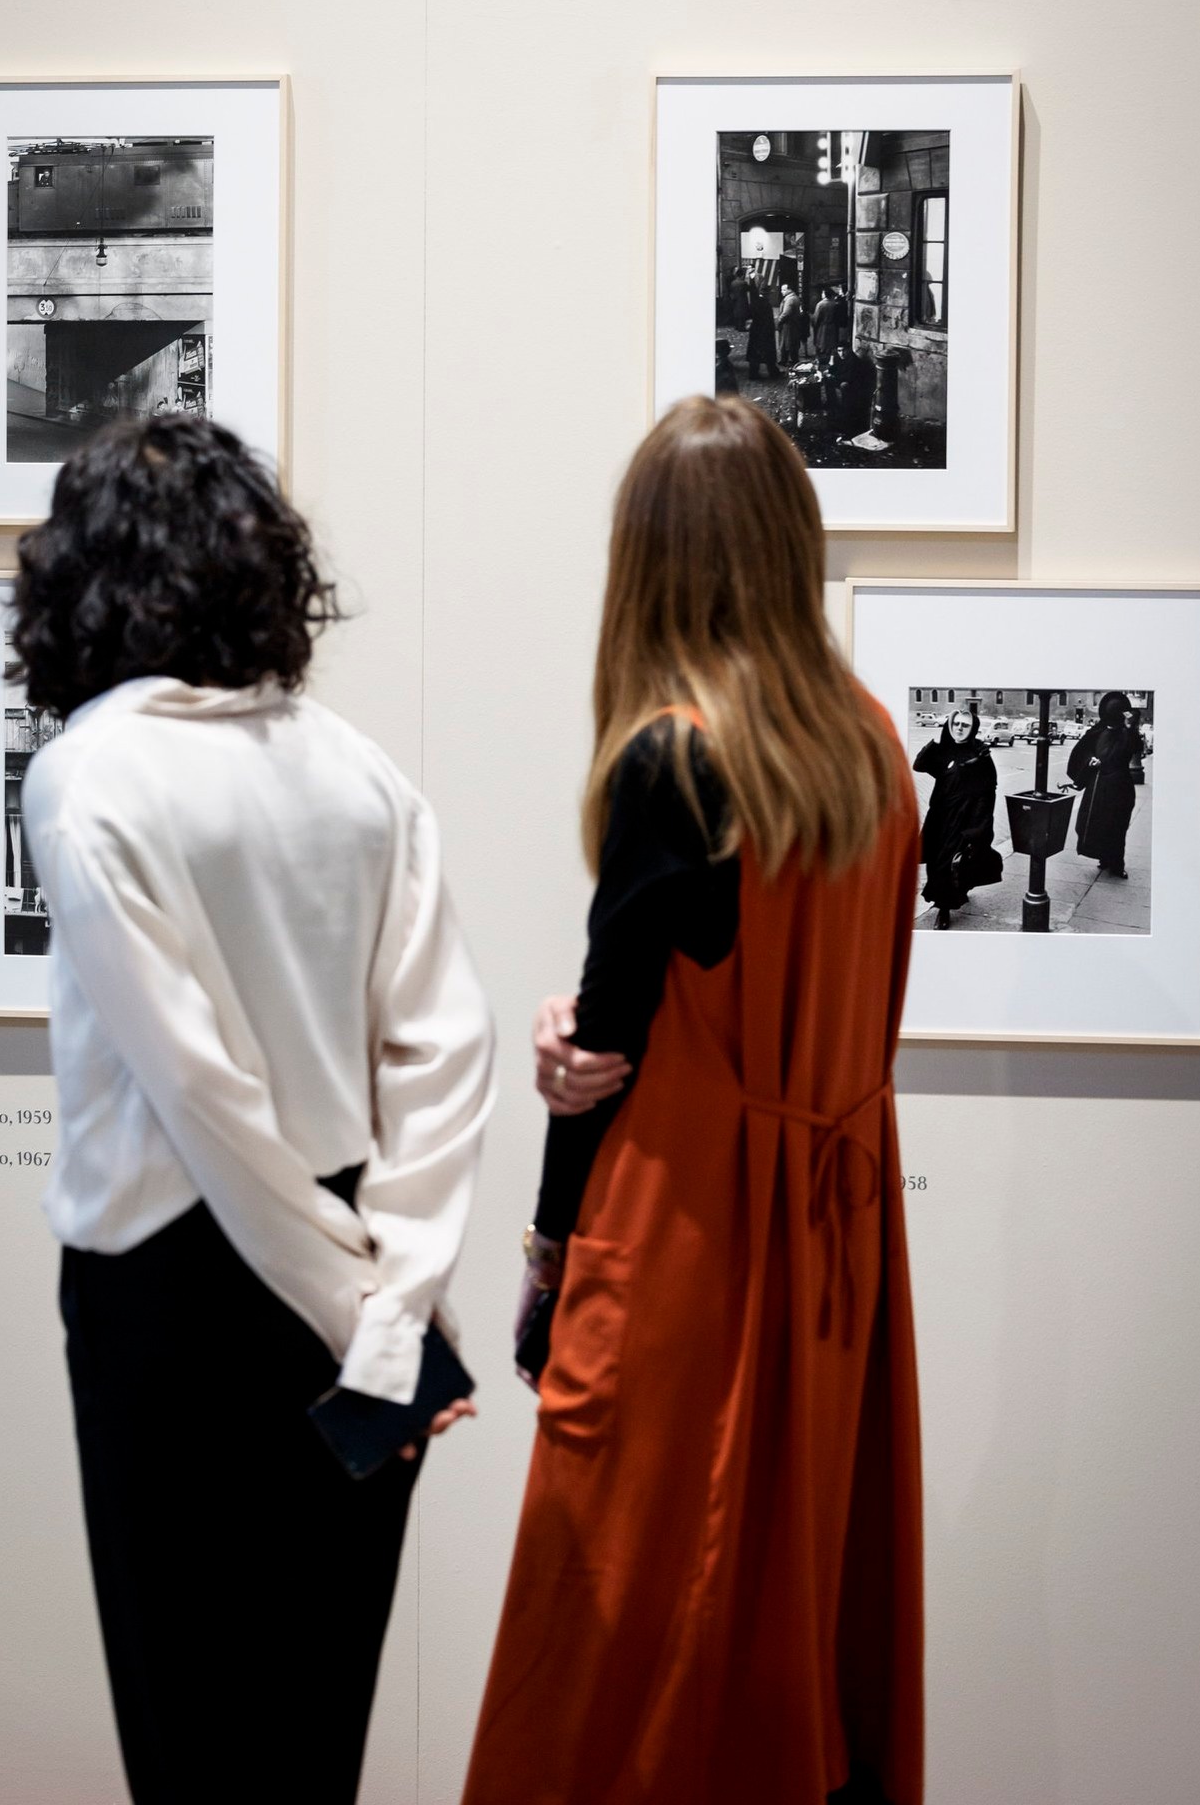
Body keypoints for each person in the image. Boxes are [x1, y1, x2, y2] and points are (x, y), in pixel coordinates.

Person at [10, 414, 495, 1805]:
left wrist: (368, 1315)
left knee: (194, 1753)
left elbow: (202, 1100)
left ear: (83, 579)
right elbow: (445, 1054)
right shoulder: (355, 769)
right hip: (354, 1272)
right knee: (309, 1745)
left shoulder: (88, 773)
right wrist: (394, 1310)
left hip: (172, 1304)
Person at [461, 394, 925, 1805]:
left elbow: (599, 1059)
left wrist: (548, 1252)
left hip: (686, 1254)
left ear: (650, 561)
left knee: (614, 1640)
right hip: (835, 1252)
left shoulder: (677, 756)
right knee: (789, 1601)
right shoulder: (868, 751)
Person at [912, 709, 1004, 930]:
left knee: (950, 863)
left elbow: (988, 790)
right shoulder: (943, 750)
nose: (960, 728)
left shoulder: (979, 754)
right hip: (939, 818)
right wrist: (934, 742)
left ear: (972, 728)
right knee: (936, 863)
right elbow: (919, 765)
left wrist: (978, 827)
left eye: (965, 725)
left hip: (964, 819)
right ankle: (947, 899)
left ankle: (944, 909)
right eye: (956, 724)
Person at [1067, 691, 1141, 877]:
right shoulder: (1098, 732)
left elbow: (1134, 748)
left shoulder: (1127, 733)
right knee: (1104, 825)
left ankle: (1115, 863)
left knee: (1116, 826)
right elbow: (1082, 753)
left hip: (1117, 786)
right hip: (1102, 786)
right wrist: (1090, 760)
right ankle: (1105, 859)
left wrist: (1129, 721)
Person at [745, 278, 780, 379]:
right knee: (769, 354)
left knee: (754, 354)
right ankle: (773, 372)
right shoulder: (766, 305)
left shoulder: (754, 302)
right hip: (765, 332)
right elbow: (768, 321)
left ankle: (753, 374)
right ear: (767, 294)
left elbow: (750, 316)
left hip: (755, 331)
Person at [775, 279, 802, 364]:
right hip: (793, 324)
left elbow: (786, 313)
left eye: (784, 290)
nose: (782, 292)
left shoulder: (789, 299)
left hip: (788, 325)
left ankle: (785, 360)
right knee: (791, 342)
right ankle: (792, 359)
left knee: (786, 343)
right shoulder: (794, 297)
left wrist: (779, 320)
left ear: (789, 290)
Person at [812, 281, 840, 362]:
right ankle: (830, 359)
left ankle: (820, 359)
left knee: (821, 343)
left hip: (823, 327)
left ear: (824, 294)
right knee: (831, 343)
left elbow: (816, 318)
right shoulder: (834, 304)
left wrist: (815, 326)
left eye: (822, 293)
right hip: (832, 326)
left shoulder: (820, 304)